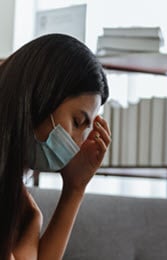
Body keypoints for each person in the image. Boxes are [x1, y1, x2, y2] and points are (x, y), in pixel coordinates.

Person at [0, 33, 110, 260]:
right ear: (40, 94)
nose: (79, 144)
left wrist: (75, 188)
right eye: (78, 122)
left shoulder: (23, 208)